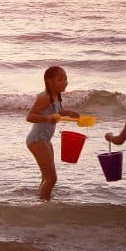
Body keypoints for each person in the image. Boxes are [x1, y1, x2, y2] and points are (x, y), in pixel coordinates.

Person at [25, 66, 80, 201]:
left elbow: (57, 112)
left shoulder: (56, 97)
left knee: (46, 177)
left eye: (66, 78)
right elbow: (30, 116)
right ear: (50, 81)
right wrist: (47, 118)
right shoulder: (44, 97)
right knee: (52, 178)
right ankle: (45, 205)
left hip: (45, 139)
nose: (65, 82)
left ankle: (42, 202)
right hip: (36, 139)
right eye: (61, 79)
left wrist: (68, 113)